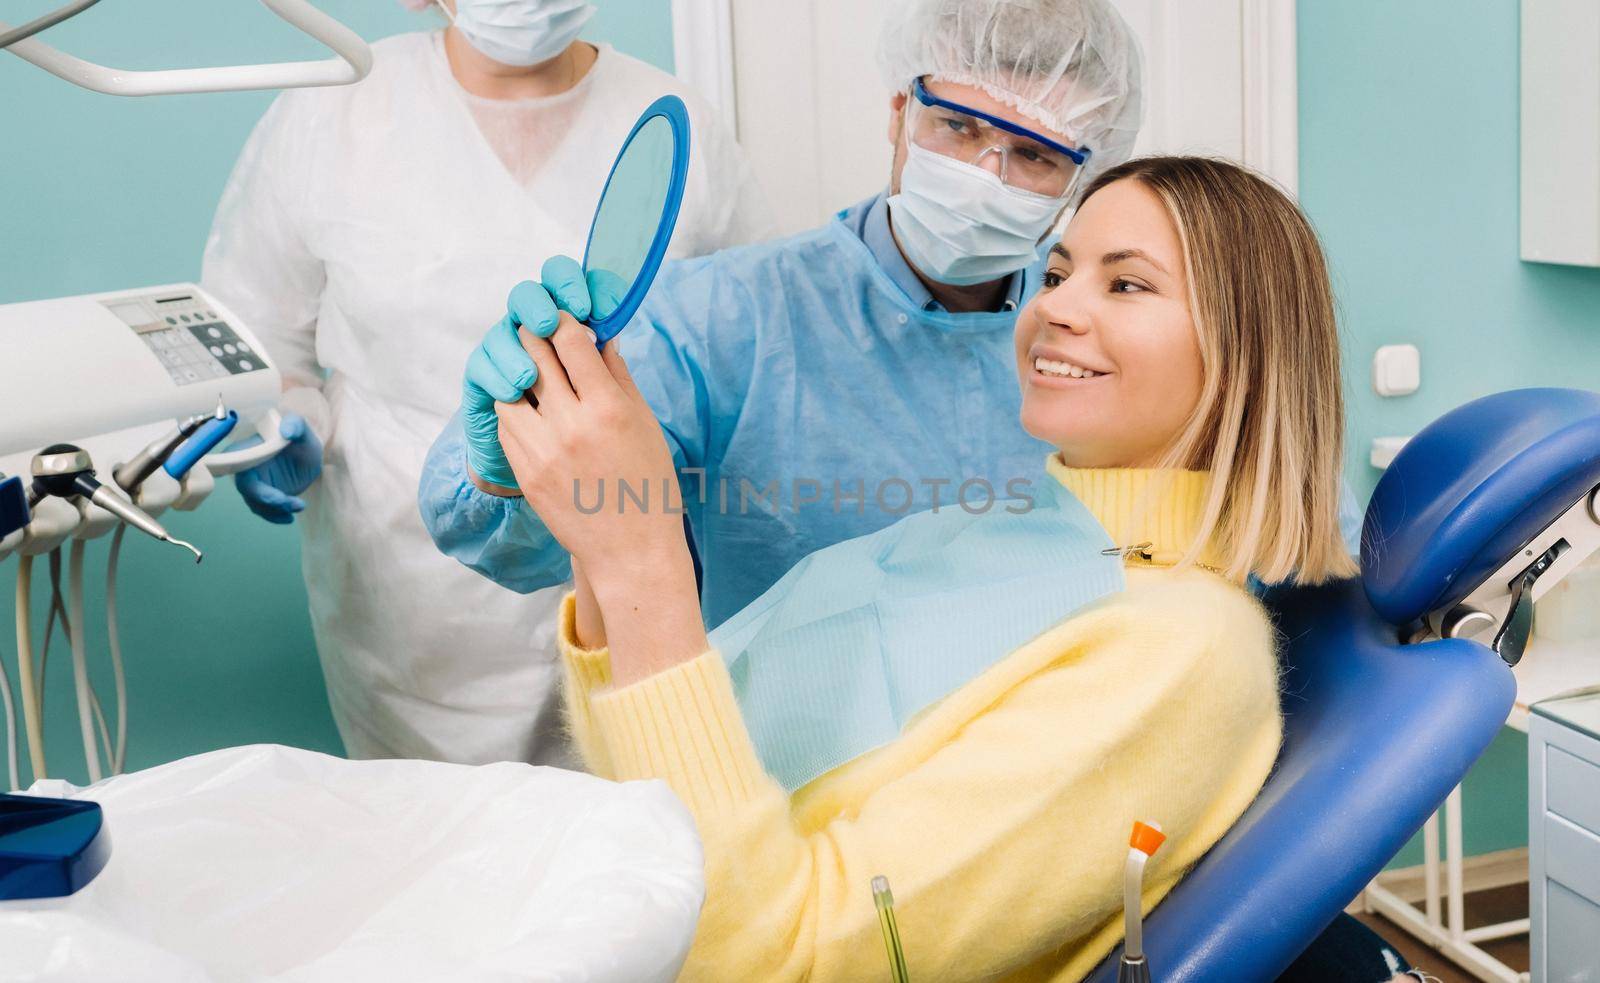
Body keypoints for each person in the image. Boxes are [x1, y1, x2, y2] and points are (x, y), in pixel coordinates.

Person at [484, 155, 1419, 982]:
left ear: (1244, 353)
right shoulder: (995, 531)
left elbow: (774, 957)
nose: (1053, 304)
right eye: (1057, 272)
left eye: (1125, 286)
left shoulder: (1184, 651)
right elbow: (658, 771)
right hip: (611, 899)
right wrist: (593, 520)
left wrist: (641, 555)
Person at [417, 0, 1155, 631]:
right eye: (958, 129)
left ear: (1079, 179)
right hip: (782, 775)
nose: (984, 177)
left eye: (1033, 155)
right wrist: (505, 474)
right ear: (899, 113)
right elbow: (544, 538)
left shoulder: (1103, 340)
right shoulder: (722, 318)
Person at [201, 0, 771, 765]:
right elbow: (257, 334)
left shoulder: (674, 125)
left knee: (629, 841)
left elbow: (753, 350)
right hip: (401, 592)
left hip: (622, 569)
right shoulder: (332, 114)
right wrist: (278, 425)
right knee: (432, 851)